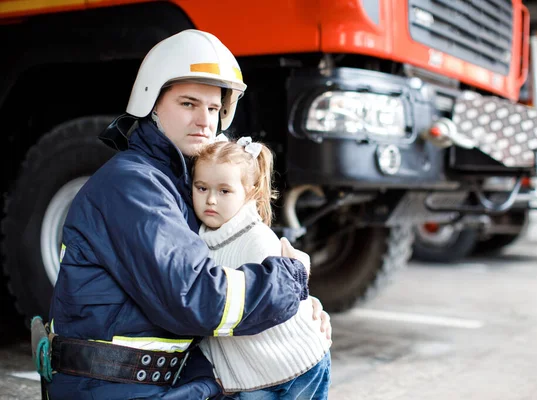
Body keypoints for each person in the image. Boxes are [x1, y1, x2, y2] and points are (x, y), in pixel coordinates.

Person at [46, 29, 331, 400]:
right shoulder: (133, 185)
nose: (204, 121)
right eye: (188, 104)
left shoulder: (187, 185)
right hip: (115, 389)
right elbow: (197, 297)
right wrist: (288, 283)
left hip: (161, 382)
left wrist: (301, 308)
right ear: (151, 103)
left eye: (213, 108)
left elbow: (235, 251)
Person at [192, 137, 332, 399]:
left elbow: (281, 297)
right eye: (201, 188)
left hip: (298, 366)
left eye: (224, 191)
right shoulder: (198, 238)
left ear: (250, 192)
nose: (211, 200)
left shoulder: (256, 239)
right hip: (250, 376)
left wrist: (310, 301)